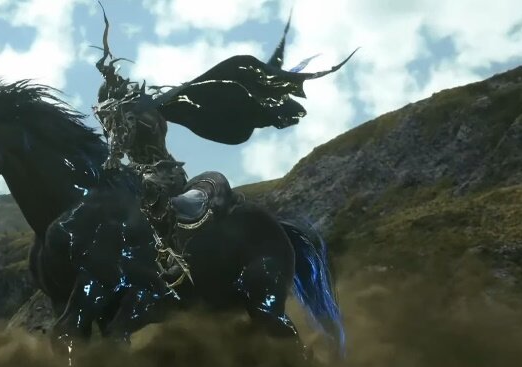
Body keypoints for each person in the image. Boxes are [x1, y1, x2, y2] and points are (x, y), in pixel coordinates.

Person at [91, 4, 354, 285]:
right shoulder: (130, 113)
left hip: (162, 174)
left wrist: (112, 154)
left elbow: (119, 146)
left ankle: (173, 257)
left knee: (149, 197)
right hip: (140, 173)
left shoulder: (141, 114)